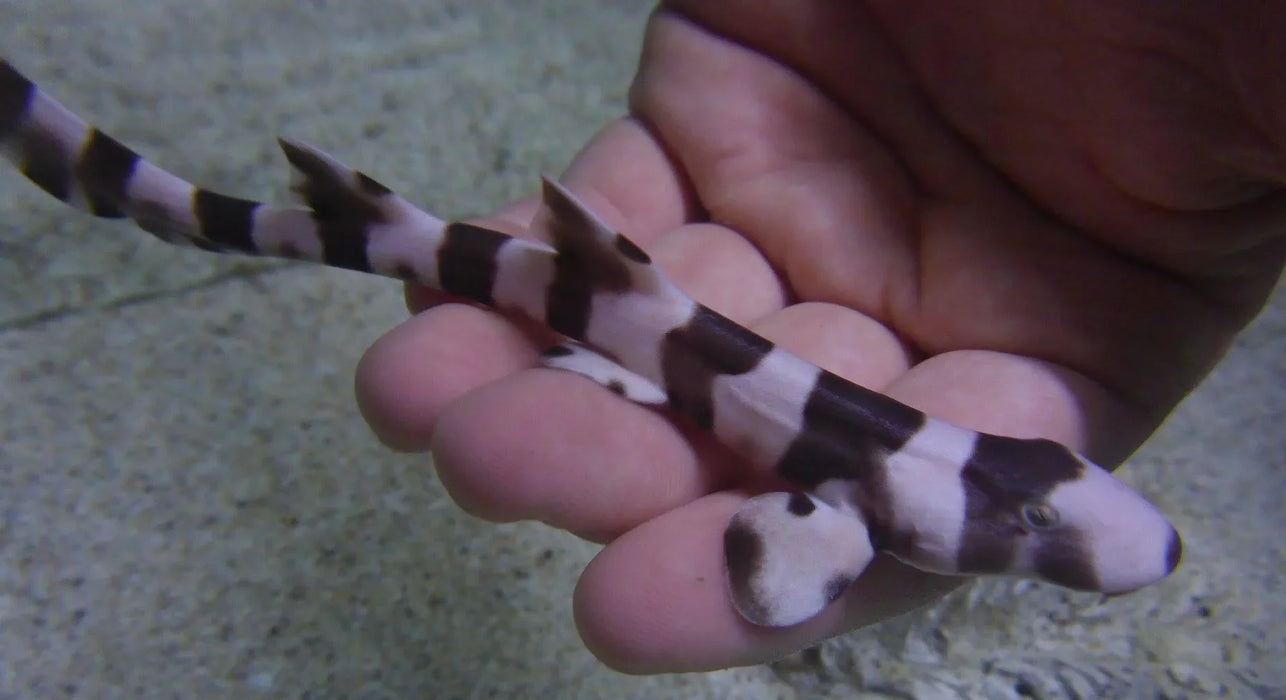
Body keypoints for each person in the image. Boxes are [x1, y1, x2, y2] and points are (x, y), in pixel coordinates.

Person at [352, 1, 1285, 673]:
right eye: (1036, 528)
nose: (1036, 541)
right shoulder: (855, 504)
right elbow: (772, 579)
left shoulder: (890, 477)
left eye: (1044, 533)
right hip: (608, 308)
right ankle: (236, 216)